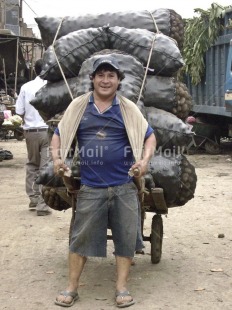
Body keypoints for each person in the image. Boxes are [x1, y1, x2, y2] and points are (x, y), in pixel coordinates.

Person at [50, 55, 156, 307]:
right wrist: (57, 159)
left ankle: (121, 288)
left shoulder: (128, 108)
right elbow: (58, 135)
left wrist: (144, 160)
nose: (105, 80)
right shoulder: (78, 107)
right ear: (92, 79)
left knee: (126, 236)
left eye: (111, 76)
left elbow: (149, 137)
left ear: (119, 81)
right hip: (90, 187)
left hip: (124, 186)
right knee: (80, 238)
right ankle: (72, 287)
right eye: (101, 75)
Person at [15, 59, 52, 216]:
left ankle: (34, 199)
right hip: (48, 131)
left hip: (30, 132)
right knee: (45, 167)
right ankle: (42, 206)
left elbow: (19, 111)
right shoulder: (52, 87)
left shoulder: (26, 87)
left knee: (32, 165)